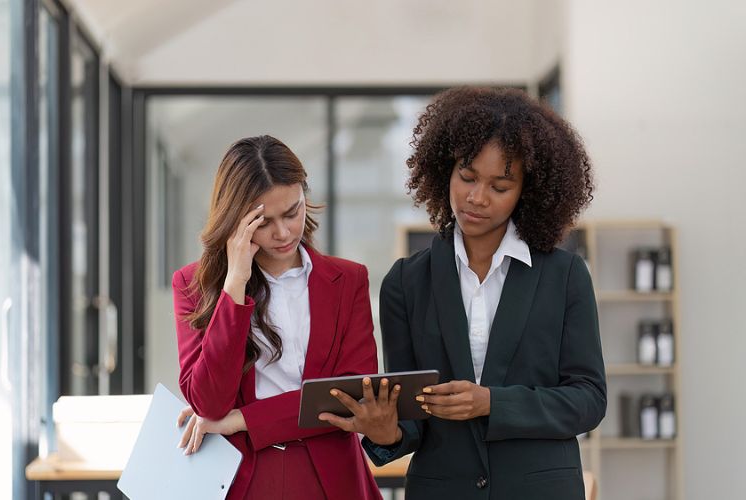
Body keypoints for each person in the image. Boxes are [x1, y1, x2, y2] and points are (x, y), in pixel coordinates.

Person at [320, 87, 607, 499]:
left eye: (500, 186)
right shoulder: (405, 283)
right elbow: (410, 420)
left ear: (529, 189)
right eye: (467, 177)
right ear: (445, 171)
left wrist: (492, 402)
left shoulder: (565, 276)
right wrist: (386, 432)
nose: (476, 198)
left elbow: (588, 400)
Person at [172, 135, 382, 500]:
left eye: (292, 211)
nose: (283, 233)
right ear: (236, 219)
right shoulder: (193, 284)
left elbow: (348, 394)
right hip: (242, 480)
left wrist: (241, 420)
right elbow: (209, 404)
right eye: (264, 221)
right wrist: (234, 284)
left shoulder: (349, 280)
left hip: (332, 481)